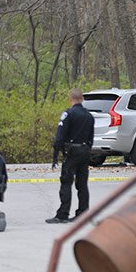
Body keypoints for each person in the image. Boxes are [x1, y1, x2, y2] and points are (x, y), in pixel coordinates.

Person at [46, 88, 94, 224]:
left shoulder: (68, 114)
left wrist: (56, 153)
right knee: (82, 184)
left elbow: (60, 135)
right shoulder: (89, 116)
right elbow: (91, 137)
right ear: (82, 99)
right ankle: (83, 213)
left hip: (72, 153)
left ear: (70, 99)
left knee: (66, 182)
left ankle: (63, 214)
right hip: (85, 151)